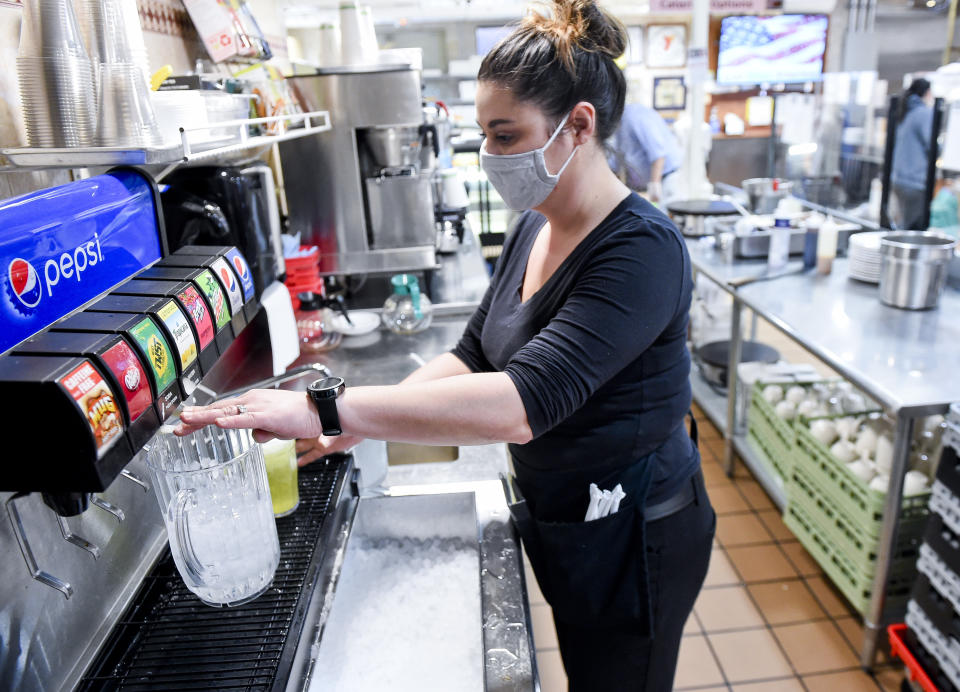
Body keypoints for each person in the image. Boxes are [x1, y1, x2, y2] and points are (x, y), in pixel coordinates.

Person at [176, 0, 714, 688]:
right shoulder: (535, 224)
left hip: (636, 533)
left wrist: (330, 411)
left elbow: (523, 402)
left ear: (578, 125)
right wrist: (353, 429)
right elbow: (474, 355)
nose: (489, 154)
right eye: (483, 133)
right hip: (570, 513)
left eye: (505, 133)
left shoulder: (642, 250)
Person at [606, 101, 684, 205]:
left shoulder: (634, 116)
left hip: (665, 179)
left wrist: (655, 186)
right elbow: (617, 160)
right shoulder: (618, 125)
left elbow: (658, 154)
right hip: (646, 184)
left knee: (662, 215)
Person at [891, 77, 935, 230]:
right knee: (910, 229)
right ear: (927, 92)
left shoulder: (905, 110)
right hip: (914, 181)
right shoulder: (923, 113)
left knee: (903, 224)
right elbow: (932, 144)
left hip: (898, 179)